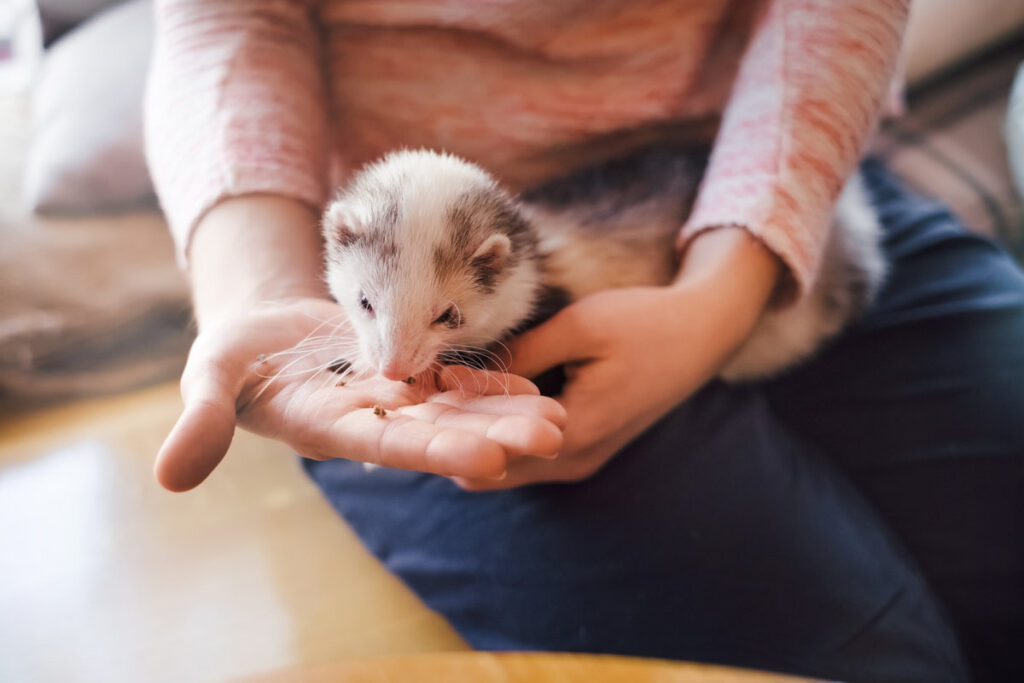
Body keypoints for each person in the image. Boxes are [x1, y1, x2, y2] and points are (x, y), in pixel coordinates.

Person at [145, 1, 1024, 679]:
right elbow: (229, 23)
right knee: (859, 651)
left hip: (777, 174)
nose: (392, 361)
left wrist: (718, 298)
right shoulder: (388, 296)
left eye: (439, 325)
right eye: (374, 320)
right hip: (425, 235)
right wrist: (259, 293)